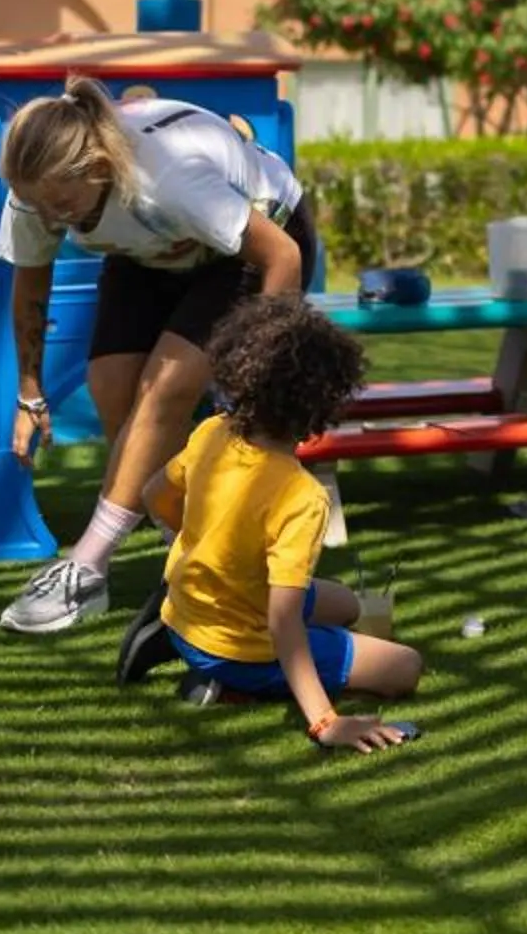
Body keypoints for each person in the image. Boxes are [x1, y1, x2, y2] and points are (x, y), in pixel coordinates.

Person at [0, 76, 321, 635]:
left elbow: (282, 256)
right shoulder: (38, 189)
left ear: (98, 166)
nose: (49, 220)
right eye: (38, 205)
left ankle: (86, 568)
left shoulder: (167, 177)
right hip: (153, 252)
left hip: (258, 242)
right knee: (111, 384)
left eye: (61, 205)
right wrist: (29, 391)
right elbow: (30, 287)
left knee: (164, 388)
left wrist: (257, 371)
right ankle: (197, 552)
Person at [139, 295, 423, 749]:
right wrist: (325, 722)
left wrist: (185, 541)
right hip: (236, 647)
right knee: (405, 666)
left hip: (188, 613)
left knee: (347, 603)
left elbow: (154, 495)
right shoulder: (302, 497)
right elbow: (282, 623)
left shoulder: (213, 432)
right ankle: (232, 683)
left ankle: (186, 644)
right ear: (324, 402)